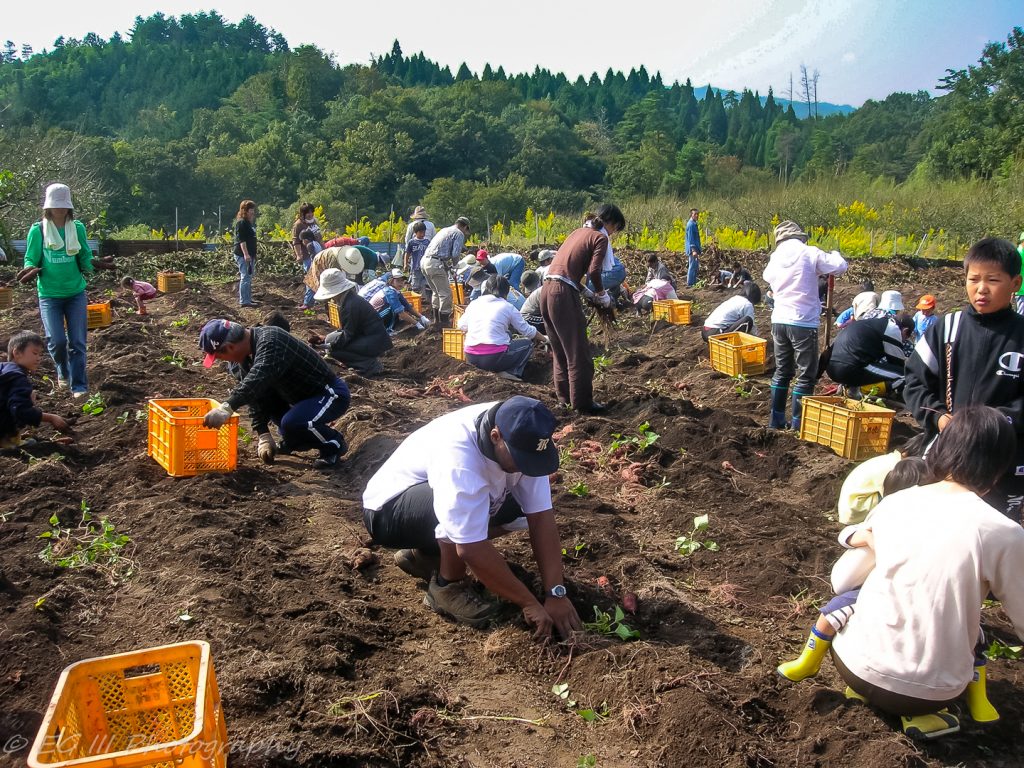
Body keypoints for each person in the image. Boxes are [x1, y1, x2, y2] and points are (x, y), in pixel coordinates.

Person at [827, 407, 1024, 739]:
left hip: (852, 666)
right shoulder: (1003, 532)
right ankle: (926, 716)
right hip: (928, 694)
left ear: (943, 448)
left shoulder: (897, 502)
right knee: (974, 642)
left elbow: (842, 581)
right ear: (999, 468)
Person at [362, 396, 583, 637]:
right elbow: (470, 547)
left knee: (513, 507)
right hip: (388, 510)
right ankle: (448, 586)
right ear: (496, 437)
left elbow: (541, 518)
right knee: (467, 506)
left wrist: (556, 592)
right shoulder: (460, 459)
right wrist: (528, 603)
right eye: (519, 459)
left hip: (427, 499)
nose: (524, 468)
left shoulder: (524, 433)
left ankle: (426, 556)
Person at [776, 455, 927, 684]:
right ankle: (809, 661)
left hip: (911, 593)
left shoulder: (929, 529)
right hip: (877, 588)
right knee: (832, 611)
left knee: (974, 637)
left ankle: (977, 694)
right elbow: (846, 535)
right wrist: (867, 537)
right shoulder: (883, 519)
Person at [904, 237, 1024, 522]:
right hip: (949, 451)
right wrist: (939, 418)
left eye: (993, 280)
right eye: (974, 279)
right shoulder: (946, 329)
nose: (981, 289)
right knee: (940, 527)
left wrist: (994, 422)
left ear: (1015, 284)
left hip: (1004, 460)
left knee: (994, 531)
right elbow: (915, 380)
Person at [199, 318, 350, 469]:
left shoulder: (272, 341)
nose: (221, 361)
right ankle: (295, 441)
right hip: (298, 399)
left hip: (328, 393)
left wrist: (227, 407)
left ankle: (334, 445)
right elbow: (255, 395)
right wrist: (263, 434)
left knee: (294, 422)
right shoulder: (241, 361)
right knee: (285, 423)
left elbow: (257, 378)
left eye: (219, 357)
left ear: (230, 348)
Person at [18, 182, 115, 397]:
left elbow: (83, 257)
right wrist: (29, 268)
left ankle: (79, 386)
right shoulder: (39, 230)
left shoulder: (77, 228)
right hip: (49, 294)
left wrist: (94, 263)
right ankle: (62, 372)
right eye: (56, 205)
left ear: (69, 207)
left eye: (64, 205)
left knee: (78, 342)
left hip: (75, 293)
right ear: (48, 207)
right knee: (57, 341)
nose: (60, 209)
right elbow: (31, 257)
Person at [762, 220, 848, 430]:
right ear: (799, 237)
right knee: (807, 374)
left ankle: (776, 420)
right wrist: (835, 253)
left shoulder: (776, 257)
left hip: (779, 319)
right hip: (802, 321)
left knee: (782, 371)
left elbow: (767, 277)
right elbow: (840, 266)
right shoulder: (809, 252)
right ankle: (798, 423)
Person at [541, 204, 624, 414]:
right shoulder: (599, 237)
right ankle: (582, 403)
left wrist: (588, 293)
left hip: (547, 290)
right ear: (611, 223)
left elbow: (565, 271)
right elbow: (594, 271)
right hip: (562, 294)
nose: (613, 233)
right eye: (615, 229)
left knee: (560, 350)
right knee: (578, 353)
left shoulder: (578, 232)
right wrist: (602, 295)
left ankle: (564, 399)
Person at [459, 276, 547, 382]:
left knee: (508, 334)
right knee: (528, 344)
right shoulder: (507, 306)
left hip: (471, 356)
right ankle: (511, 372)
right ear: (506, 292)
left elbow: (461, 326)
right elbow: (528, 331)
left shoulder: (474, 304)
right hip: (494, 357)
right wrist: (545, 339)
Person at [311, 268, 392, 376]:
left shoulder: (350, 305)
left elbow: (347, 335)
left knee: (334, 351)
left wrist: (329, 346)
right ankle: (364, 361)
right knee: (330, 338)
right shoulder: (349, 299)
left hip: (374, 342)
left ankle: (368, 365)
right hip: (370, 337)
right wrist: (325, 339)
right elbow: (348, 329)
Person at [1, 331, 72, 449]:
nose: (39, 358)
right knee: (33, 446)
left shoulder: (4, 369)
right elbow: (20, 411)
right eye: (35, 353)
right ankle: (8, 442)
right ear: (17, 353)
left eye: (40, 355)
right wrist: (51, 418)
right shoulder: (18, 378)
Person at [825, 314, 913, 396]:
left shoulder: (872, 323)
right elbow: (897, 364)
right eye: (904, 338)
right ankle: (862, 391)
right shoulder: (893, 329)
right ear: (905, 331)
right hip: (849, 369)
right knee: (905, 375)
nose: (902, 341)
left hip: (831, 367)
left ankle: (852, 390)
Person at [422, 216, 470, 328]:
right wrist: (455, 266)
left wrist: (449, 268)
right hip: (435, 263)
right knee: (445, 294)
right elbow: (455, 253)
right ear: (465, 226)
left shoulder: (445, 230)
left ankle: (436, 321)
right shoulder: (459, 233)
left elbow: (440, 253)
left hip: (425, 261)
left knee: (436, 292)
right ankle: (444, 323)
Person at [360, 268, 431, 334]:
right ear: (391, 281)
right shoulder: (390, 292)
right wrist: (417, 324)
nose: (401, 283)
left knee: (402, 306)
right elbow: (401, 313)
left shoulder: (395, 291)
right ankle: (388, 330)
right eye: (398, 280)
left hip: (376, 317)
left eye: (402, 280)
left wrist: (422, 317)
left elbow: (407, 306)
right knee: (394, 309)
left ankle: (391, 326)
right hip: (372, 321)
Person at [234, 200, 258, 307]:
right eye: (250, 210)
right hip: (243, 254)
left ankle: (248, 299)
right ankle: (244, 301)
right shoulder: (241, 223)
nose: (252, 212)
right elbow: (242, 240)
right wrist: (246, 254)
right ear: (245, 211)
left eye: (253, 209)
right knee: (245, 277)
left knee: (248, 277)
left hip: (250, 254)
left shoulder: (248, 223)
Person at [404, 220, 432, 309]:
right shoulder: (412, 242)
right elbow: (407, 253)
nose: (422, 234)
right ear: (416, 232)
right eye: (420, 232)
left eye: (424, 232)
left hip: (426, 267)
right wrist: (405, 264)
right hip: (415, 267)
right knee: (415, 285)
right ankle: (414, 305)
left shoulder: (427, 242)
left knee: (427, 284)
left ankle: (427, 302)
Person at [298, 231, 321, 309]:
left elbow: (313, 257)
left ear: (306, 239)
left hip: (315, 266)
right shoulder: (316, 243)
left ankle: (307, 303)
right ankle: (315, 300)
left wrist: (311, 269)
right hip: (319, 265)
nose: (302, 242)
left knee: (310, 284)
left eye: (302, 240)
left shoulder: (309, 245)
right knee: (315, 285)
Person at [685, 208, 701, 287]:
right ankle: (690, 284)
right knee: (692, 266)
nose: (697, 216)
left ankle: (693, 283)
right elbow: (691, 239)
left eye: (698, 214)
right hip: (692, 250)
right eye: (695, 214)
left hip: (695, 249)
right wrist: (694, 250)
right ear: (691, 215)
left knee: (694, 266)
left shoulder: (694, 224)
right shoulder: (691, 225)